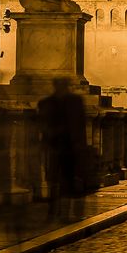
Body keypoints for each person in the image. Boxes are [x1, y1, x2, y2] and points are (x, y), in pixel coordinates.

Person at [37, 76, 87, 220]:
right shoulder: (73, 102)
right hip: (60, 146)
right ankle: (58, 210)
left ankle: (58, 211)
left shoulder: (47, 103)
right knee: (56, 178)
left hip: (66, 146)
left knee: (64, 178)